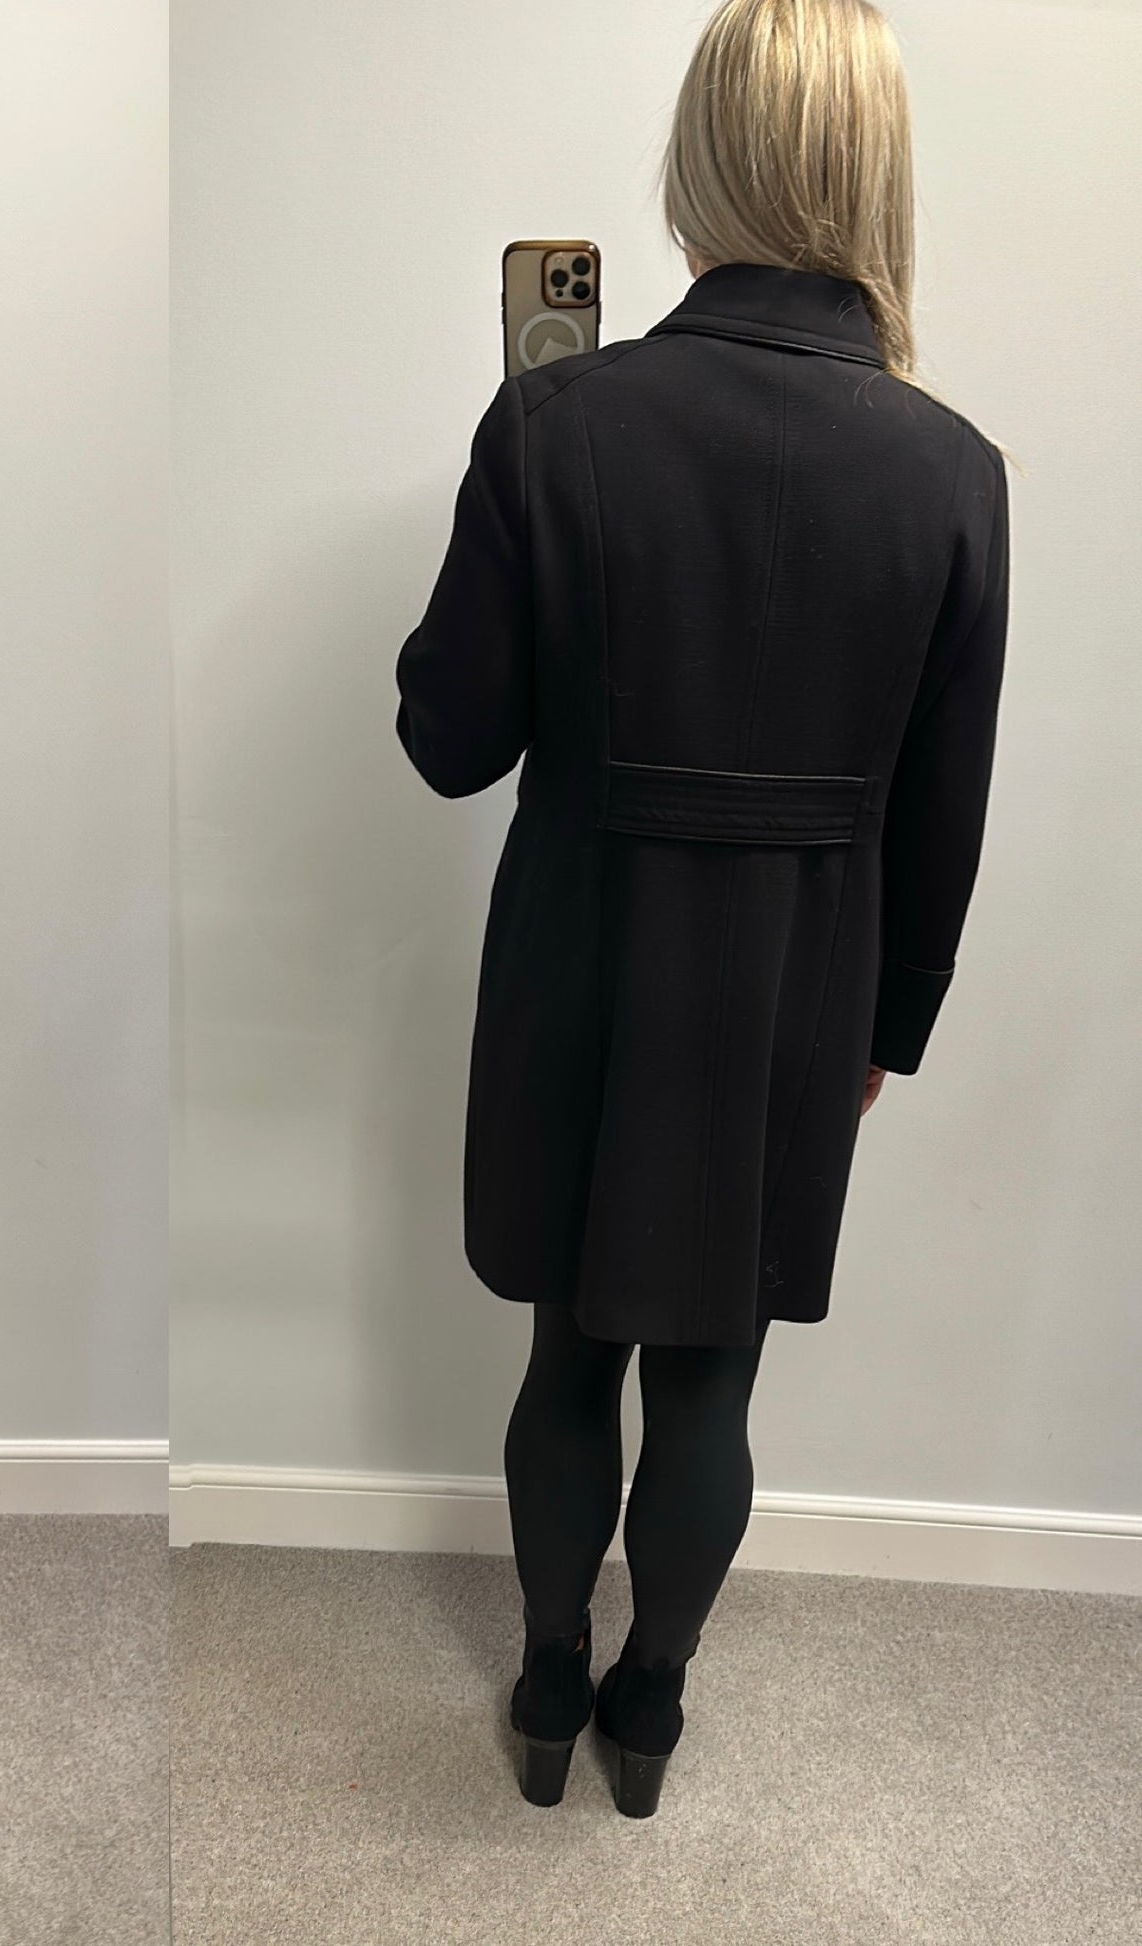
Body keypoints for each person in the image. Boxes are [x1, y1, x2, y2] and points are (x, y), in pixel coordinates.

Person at [394, 0, 1010, 1819]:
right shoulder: (951, 471)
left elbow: (446, 739)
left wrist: (527, 438)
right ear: (876, 171)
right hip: (797, 993)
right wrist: (889, 1027)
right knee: (712, 1377)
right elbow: (946, 807)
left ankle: (547, 1677)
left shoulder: (558, 420)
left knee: (566, 1350)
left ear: (699, 159)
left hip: (580, 962)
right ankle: (647, 1704)